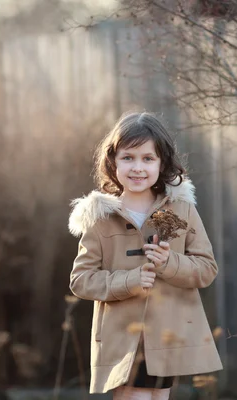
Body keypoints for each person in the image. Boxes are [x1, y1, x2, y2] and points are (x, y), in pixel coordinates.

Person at [68, 112, 222, 400]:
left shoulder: (181, 209)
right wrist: (130, 280)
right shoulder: (99, 217)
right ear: (113, 161)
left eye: (147, 158)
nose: (137, 167)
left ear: (162, 163)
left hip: (166, 333)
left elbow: (206, 268)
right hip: (123, 335)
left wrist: (168, 263)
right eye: (128, 158)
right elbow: (81, 280)